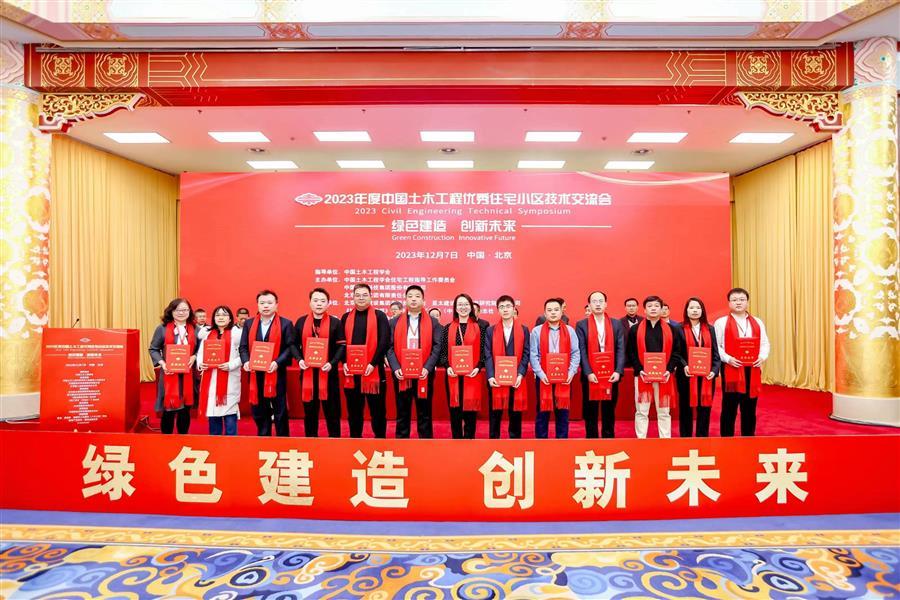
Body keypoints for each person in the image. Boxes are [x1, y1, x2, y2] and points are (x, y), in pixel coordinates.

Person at [386, 285, 443, 438]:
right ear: (405, 300)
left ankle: (425, 442)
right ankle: (402, 441)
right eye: (410, 296)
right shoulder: (394, 322)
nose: (413, 299)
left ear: (423, 301)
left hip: (424, 373)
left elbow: (437, 347)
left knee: (424, 411)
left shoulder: (433, 323)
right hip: (401, 373)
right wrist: (396, 367)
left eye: (417, 296)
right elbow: (389, 347)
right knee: (402, 410)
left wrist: (427, 368)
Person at [626, 295, 686, 439]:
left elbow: (677, 352)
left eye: (656, 306)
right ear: (644, 310)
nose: (653, 309)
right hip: (642, 376)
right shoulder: (635, 329)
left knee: (664, 411)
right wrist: (639, 369)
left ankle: (665, 440)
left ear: (661, 309)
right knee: (641, 411)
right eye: (650, 306)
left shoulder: (672, 329)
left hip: (664, 376)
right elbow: (631, 352)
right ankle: (641, 439)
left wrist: (669, 370)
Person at [714, 287, 770, 437]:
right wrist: (728, 359)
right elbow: (716, 346)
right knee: (729, 407)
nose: (738, 302)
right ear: (729, 303)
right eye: (734, 300)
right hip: (731, 369)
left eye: (742, 299)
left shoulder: (757, 322)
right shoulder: (721, 322)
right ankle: (727, 440)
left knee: (749, 407)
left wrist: (762, 357)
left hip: (752, 370)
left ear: (747, 302)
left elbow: (765, 343)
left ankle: (748, 439)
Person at [239, 289, 295, 437]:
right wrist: (246, 361)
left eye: (269, 303)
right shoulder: (249, 323)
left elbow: (290, 348)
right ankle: (264, 437)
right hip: (255, 373)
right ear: (257, 305)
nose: (266, 306)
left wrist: (277, 362)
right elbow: (243, 347)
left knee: (280, 409)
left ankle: (283, 439)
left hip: (276, 372)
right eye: (262, 303)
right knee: (259, 408)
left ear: (276, 305)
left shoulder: (286, 324)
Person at [294, 288, 346, 438]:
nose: (319, 304)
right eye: (315, 300)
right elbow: (293, 345)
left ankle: (334, 441)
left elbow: (342, 346)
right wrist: (299, 359)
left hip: (329, 373)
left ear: (328, 303)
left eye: (323, 301)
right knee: (310, 411)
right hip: (307, 374)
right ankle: (311, 441)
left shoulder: (335, 323)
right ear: (310, 303)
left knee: (332, 411)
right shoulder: (301, 322)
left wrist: (332, 363)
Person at [342, 283, 391, 438]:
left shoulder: (379, 316)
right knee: (354, 411)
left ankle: (380, 442)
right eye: (358, 295)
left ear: (370, 296)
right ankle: (355, 441)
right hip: (352, 373)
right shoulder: (346, 317)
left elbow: (384, 341)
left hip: (374, 371)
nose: (361, 298)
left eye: (364, 295)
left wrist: (373, 363)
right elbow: (341, 344)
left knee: (378, 411)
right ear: (353, 297)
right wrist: (344, 362)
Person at [576, 291, 626, 438]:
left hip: (611, 374)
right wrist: (588, 372)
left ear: (606, 304)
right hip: (590, 375)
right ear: (589, 305)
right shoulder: (582, 325)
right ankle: (591, 438)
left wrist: (618, 371)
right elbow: (581, 350)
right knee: (590, 410)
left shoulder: (616, 323)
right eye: (594, 301)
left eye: (600, 301)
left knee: (609, 409)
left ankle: (608, 438)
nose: (597, 304)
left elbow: (621, 348)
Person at [530, 298, 580, 439]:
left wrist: (571, 373)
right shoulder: (536, 331)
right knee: (542, 413)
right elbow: (533, 355)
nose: (553, 313)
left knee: (563, 413)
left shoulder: (570, 331)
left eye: (556, 310)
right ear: (545, 313)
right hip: (543, 378)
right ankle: (541, 442)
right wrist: (540, 374)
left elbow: (576, 353)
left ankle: (562, 442)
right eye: (549, 310)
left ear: (561, 312)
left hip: (564, 378)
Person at [440, 293, 487, 439]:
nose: (463, 307)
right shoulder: (448, 328)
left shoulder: (480, 327)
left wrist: (478, 367)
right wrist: (447, 366)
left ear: (471, 307)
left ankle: (469, 439)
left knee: (470, 411)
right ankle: (456, 439)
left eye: (466, 304)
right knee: (455, 411)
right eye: (460, 304)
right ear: (455, 308)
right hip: (453, 375)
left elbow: (483, 352)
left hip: (472, 375)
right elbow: (443, 352)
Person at [148, 298, 198, 434]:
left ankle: (182, 438)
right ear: (171, 311)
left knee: (185, 410)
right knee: (169, 409)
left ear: (190, 311)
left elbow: (201, 349)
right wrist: (162, 363)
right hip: (169, 374)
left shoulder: (195, 329)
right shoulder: (162, 329)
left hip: (188, 375)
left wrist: (194, 356)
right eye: (177, 310)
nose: (181, 313)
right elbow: (153, 349)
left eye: (185, 310)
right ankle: (167, 440)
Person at [484, 294, 530, 439]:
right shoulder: (491, 330)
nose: (505, 309)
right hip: (496, 378)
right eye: (502, 307)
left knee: (515, 413)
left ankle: (514, 441)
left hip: (516, 378)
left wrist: (520, 374)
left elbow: (526, 353)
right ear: (498, 310)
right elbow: (487, 354)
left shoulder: (523, 329)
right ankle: (494, 441)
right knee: (495, 413)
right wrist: (491, 376)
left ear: (514, 309)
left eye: (508, 306)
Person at [677, 297, 721, 437]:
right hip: (686, 375)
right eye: (691, 308)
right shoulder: (678, 328)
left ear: (702, 310)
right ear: (686, 311)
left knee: (705, 408)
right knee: (686, 408)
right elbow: (676, 353)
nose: (695, 311)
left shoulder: (710, 329)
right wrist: (684, 366)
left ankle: (702, 437)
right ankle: (686, 437)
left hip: (706, 376)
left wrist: (714, 371)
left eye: (698, 308)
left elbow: (716, 353)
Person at [197, 305, 242, 435]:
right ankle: (215, 442)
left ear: (230, 318)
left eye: (224, 315)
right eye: (217, 315)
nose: (221, 317)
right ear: (213, 318)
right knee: (213, 412)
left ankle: (231, 443)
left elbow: (244, 355)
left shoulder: (236, 334)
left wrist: (231, 365)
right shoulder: (207, 333)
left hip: (229, 378)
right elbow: (200, 353)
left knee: (229, 414)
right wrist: (200, 363)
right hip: (210, 378)